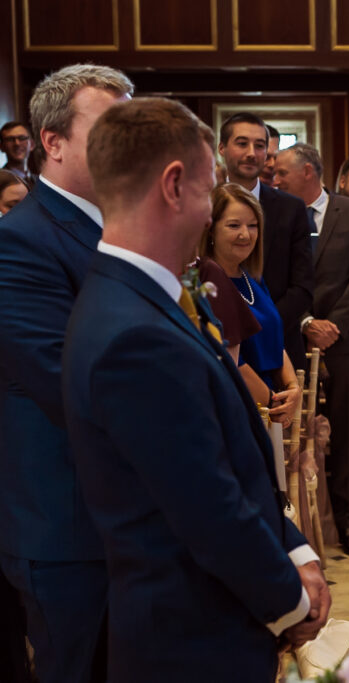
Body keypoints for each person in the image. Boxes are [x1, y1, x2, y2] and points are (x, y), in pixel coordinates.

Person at [62, 97, 328, 681]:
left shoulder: (144, 295)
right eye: (211, 191)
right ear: (174, 185)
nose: (214, 209)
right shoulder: (132, 331)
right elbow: (206, 503)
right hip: (190, 635)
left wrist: (298, 548)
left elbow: (230, 459)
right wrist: (290, 599)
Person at [0, 63, 134, 683]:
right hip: (71, 526)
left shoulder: (121, 228)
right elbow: (70, 385)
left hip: (132, 519)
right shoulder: (21, 242)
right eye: (110, 128)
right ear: (52, 143)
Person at [279, 145, 349, 557]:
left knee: (343, 431)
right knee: (296, 432)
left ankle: (347, 522)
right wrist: (305, 323)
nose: (276, 178)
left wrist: (332, 325)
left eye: (282, 171)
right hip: (292, 336)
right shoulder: (280, 213)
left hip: (345, 338)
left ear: (307, 171)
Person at [199, 183, 302, 426]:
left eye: (253, 225)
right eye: (234, 225)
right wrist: (275, 402)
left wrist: (293, 388)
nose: (246, 234)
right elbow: (228, 358)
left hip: (270, 407)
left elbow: (273, 339)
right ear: (211, 229)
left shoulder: (252, 278)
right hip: (241, 408)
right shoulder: (207, 279)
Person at [219, 113, 314, 372]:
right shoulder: (203, 203)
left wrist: (261, 324)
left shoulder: (291, 208)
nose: (252, 153)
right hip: (217, 343)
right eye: (242, 143)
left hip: (279, 344)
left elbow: (303, 285)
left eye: (259, 145)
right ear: (222, 148)